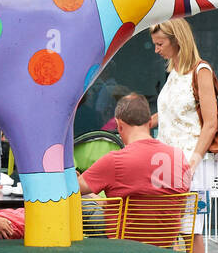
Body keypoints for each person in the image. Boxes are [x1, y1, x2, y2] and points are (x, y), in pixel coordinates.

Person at [147, 19, 218, 253]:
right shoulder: (174, 73)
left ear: (177, 40)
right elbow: (171, 113)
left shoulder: (201, 71)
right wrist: (145, 123)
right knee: (169, 225)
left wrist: (192, 163)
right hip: (168, 160)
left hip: (191, 161)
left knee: (191, 229)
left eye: (160, 44)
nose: (156, 50)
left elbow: (211, 123)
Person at [81, 92, 190, 240]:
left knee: (78, 201)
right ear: (150, 123)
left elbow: (71, 190)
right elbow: (181, 211)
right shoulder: (179, 158)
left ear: (119, 126)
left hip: (122, 243)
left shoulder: (114, 160)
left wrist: (96, 197)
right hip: (164, 243)